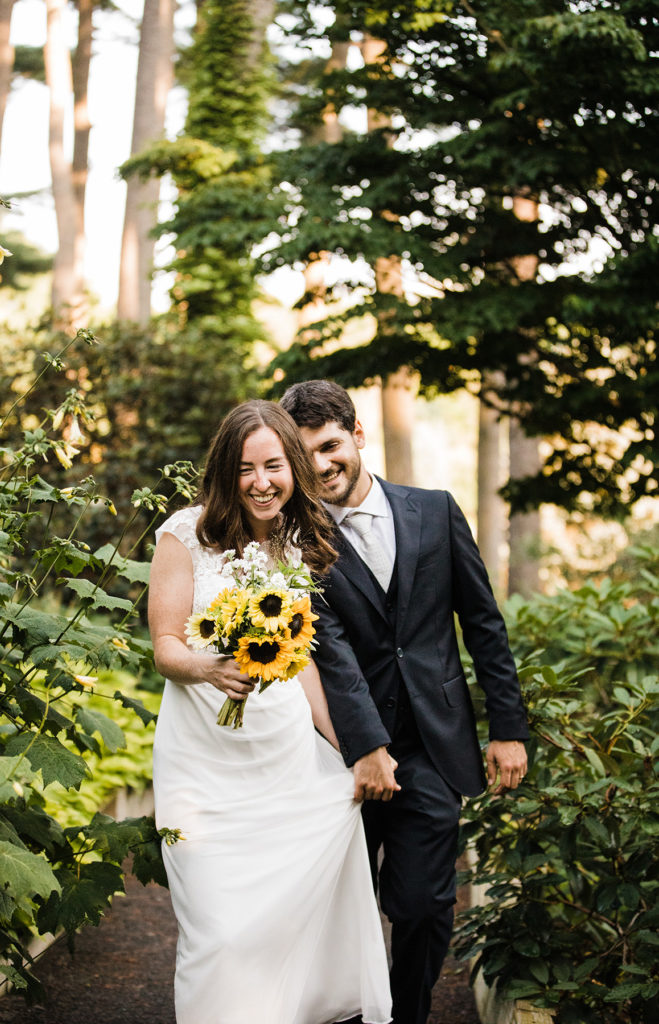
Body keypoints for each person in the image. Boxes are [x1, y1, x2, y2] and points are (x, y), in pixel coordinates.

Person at [280, 380, 530, 1024]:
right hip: (336, 751)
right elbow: (326, 650)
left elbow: (483, 624)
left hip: (432, 745)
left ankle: (406, 1016)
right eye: (304, 457)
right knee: (339, 911)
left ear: (357, 435)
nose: (322, 466)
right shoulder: (294, 543)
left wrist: (507, 727)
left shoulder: (437, 510)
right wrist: (364, 747)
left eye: (330, 446)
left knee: (421, 906)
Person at [148, 399, 393, 1024]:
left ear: (294, 470)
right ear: (226, 471)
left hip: (285, 761)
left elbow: (304, 660)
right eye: (246, 468)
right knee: (220, 932)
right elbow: (167, 647)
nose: (261, 482)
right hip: (202, 764)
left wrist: (345, 748)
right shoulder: (184, 534)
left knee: (280, 930)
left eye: (275, 466)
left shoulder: (296, 541)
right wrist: (210, 667)